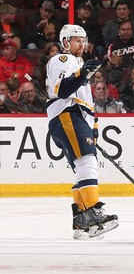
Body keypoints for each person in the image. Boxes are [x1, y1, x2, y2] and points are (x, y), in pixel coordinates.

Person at [45, 24, 119, 239]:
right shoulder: (63, 59)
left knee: (82, 165)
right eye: (77, 39)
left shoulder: (77, 64)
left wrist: (93, 128)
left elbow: (86, 102)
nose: (82, 43)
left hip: (76, 117)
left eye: (83, 39)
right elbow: (63, 90)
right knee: (87, 162)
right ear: (66, 42)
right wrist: (83, 71)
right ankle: (94, 212)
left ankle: (82, 219)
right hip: (68, 114)